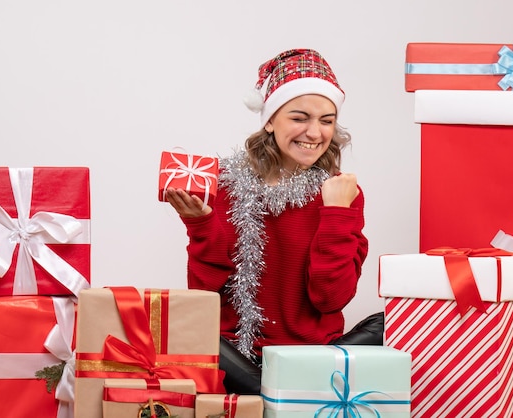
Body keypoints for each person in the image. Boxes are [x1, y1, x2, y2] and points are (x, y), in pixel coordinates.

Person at [164, 48, 383, 394]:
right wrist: (201, 225)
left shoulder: (342, 192)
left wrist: (337, 214)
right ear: (269, 119)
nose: (314, 133)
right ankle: (277, 395)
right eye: (299, 118)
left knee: (391, 323)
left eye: (326, 120)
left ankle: (276, 394)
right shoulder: (224, 184)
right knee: (183, 328)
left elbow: (330, 299)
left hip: (312, 356)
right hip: (237, 358)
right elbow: (205, 294)